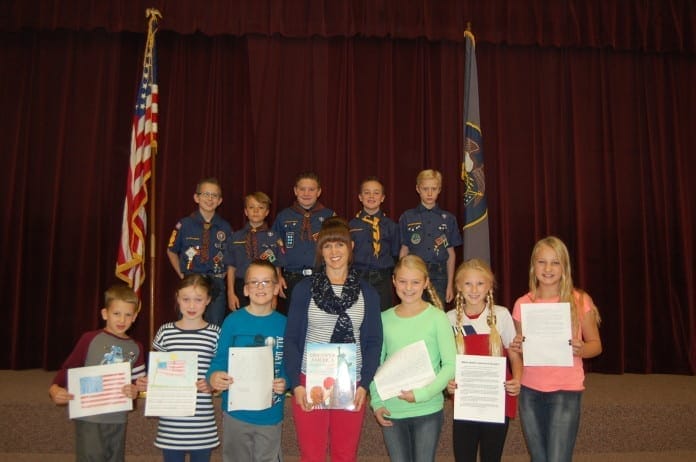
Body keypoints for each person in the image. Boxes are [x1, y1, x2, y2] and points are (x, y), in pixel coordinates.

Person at [285, 217, 383, 462]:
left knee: (345, 454)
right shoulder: (305, 289)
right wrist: (296, 384)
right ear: (321, 251)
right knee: (312, 455)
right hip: (310, 380)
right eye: (327, 246)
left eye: (340, 244)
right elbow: (292, 339)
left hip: (351, 382)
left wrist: (364, 384)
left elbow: (373, 342)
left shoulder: (367, 292)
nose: (334, 251)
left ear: (351, 247)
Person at [509, 236, 602, 462]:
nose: (548, 269)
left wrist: (581, 349)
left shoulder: (579, 300)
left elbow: (596, 345)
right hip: (530, 390)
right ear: (533, 266)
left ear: (564, 267)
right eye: (542, 262)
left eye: (555, 262)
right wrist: (518, 346)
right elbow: (521, 351)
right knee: (539, 458)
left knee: (558, 458)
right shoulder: (522, 303)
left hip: (565, 389)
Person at [370, 254, 457, 462]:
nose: (408, 288)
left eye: (415, 282)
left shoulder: (437, 317)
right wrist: (376, 402)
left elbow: (450, 365)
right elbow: (376, 365)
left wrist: (422, 394)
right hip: (392, 408)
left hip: (427, 408)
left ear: (426, 282)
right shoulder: (384, 319)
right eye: (402, 281)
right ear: (393, 281)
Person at [48, 284, 145, 462]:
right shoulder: (90, 339)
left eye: (128, 314)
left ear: (135, 317)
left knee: (114, 457)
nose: (122, 319)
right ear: (105, 314)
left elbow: (137, 383)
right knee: (90, 457)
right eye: (116, 313)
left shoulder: (136, 347)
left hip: (117, 417)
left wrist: (135, 391)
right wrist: (55, 388)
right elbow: (69, 368)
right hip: (89, 415)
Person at [208, 259, 287, 462]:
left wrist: (285, 381)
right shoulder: (232, 321)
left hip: (270, 413)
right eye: (254, 282)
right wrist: (214, 376)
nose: (260, 287)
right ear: (245, 289)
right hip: (236, 413)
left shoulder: (284, 324)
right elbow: (220, 360)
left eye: (266, 282)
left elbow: (288, 365)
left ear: (276, 288)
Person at [136, 274, 221, 462]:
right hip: (171, 422)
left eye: (198, 300)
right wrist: (148, 382)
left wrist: (212, 385)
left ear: (208, 300)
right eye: (186, 299)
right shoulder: (165, 332)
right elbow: (157, 372)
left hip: (202, 421)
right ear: (177, 298)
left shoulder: (215, 334)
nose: (191, 306)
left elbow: (220, 373)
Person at [445, 259, 522, 462]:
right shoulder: (449, 319)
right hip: (466, 401)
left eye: (480, 283)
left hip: (496, 400)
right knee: (464, 456)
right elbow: (446, 362)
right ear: (458, 286)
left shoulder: (501, 315)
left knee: (491, 456)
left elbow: (514, 354)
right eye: (468, 283)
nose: (474, 290)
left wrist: (517, 379)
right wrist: (448, 383)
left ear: (489, 286)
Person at [167, 177, 233, 326]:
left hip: (216, 283)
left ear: (220, 201)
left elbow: (231, 257)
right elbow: (171, 251)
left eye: (214, 195)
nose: (210, 199)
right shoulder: (184, 224)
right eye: (206, 194)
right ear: (196, 198)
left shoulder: (225, 227)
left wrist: (223, 276)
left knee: (215, 325)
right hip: (192, 281)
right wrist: (182, 273)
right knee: (188, 323)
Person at [272, 171, 335, 313]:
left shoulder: (329, 216)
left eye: (311, 189)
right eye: (302, 189)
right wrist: (278, 276)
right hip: (292, 278)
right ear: (295, 191)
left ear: (319, 192)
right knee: (294, 318)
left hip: (322, 277)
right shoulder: (283, 216)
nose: (306, 193)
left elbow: (337, 248)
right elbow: (275, 249)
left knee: (321, 317)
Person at [399, 169, 462, 306]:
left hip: (439, 274)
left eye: (433, 189)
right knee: (413, 310)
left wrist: (449, 284)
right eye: (425, 189)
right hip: (414, 272)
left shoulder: (448, 219)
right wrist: (402, 278)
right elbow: (404, 250)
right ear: (418, 189)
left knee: (437, 311)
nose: (429, 193)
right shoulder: (407, 217)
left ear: (439, 190)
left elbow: (451, 254)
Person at [225, 192, 285, 310]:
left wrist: (274, 296)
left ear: (267, 212)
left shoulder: (274, 237)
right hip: (241, 286)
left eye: (261, 208)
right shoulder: (235, 237)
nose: (256, 211)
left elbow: (276, 267)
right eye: (251, 207)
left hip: (266, 286)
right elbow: (231, 268)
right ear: (246, 211)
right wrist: (230, 293)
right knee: (242, 319)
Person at [349, 177, 400, 310]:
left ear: (382, 198)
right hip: (358, 277)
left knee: (383, 315)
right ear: (360, 197)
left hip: (382, 278)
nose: (371, 196)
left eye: (376, 193)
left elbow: (395, 254)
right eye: (367, 192)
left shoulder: (391, 226)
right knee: (359, 314)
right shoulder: (351, 226)